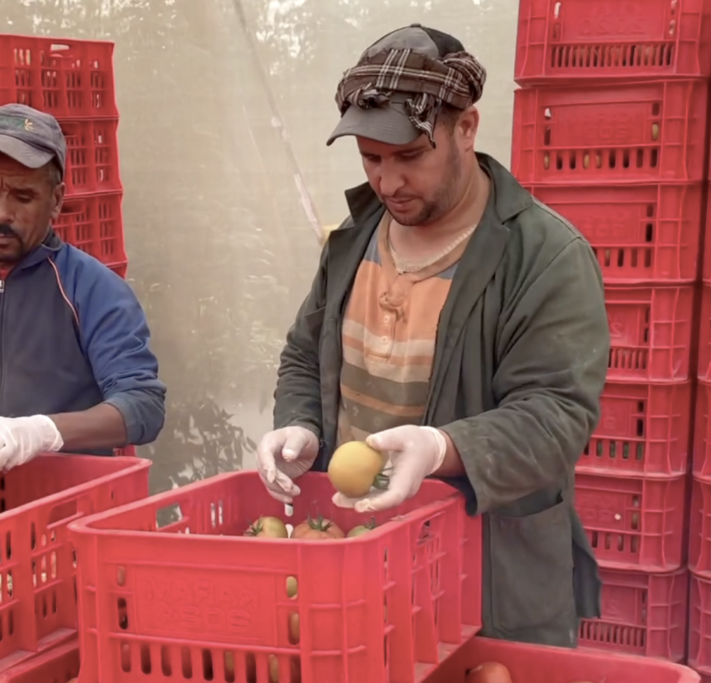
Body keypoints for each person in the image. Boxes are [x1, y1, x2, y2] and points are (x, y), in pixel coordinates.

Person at [255, 24, 610, 647]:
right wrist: (301, 423)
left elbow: (555, 417)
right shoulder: (354, 239)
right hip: (364, 563)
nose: (388, 182)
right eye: (371, 158)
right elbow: (305, 353)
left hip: (485, 582)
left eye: (410, 156)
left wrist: (443, 448)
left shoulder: (544, 256)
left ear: (466, 129)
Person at [0, 103, 166, 475]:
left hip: (70, 512)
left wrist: (45, 432)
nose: (1, 213)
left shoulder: (93, 291)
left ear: (56, 200)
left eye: (23, 196)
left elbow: (142, 405)